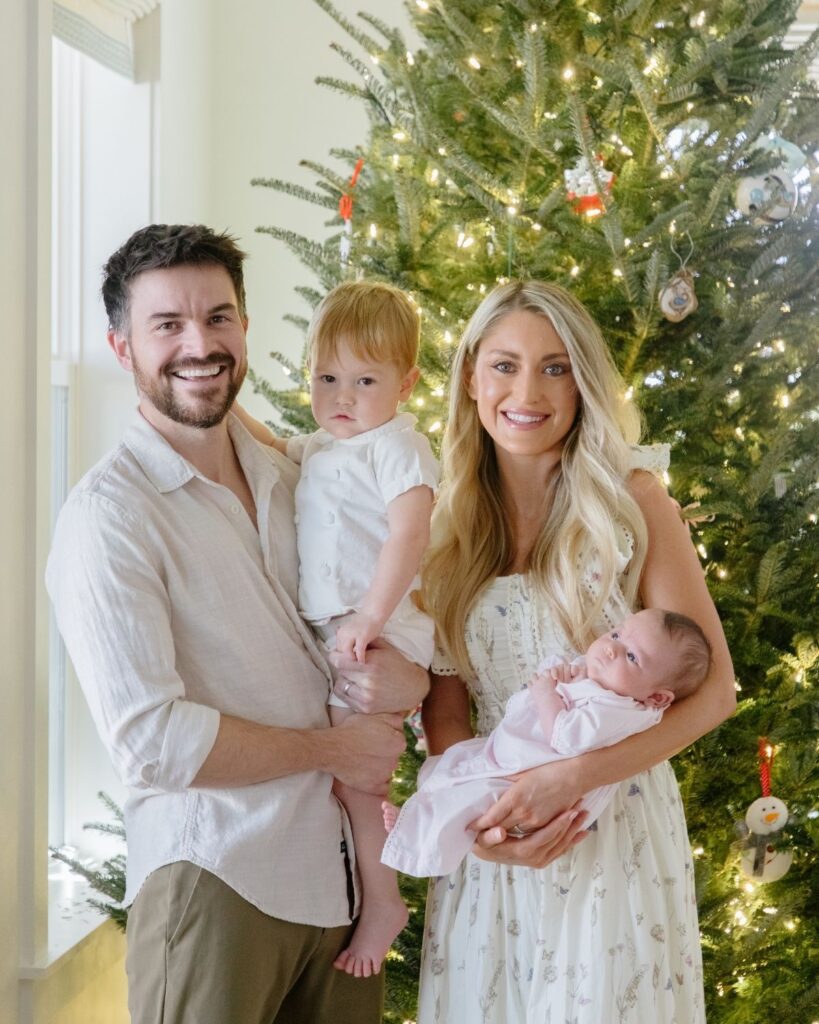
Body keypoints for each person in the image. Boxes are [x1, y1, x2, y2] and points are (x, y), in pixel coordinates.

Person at [45, 224, 429, 1024]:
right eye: (168, 325)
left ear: (245, 330)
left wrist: (413, 678)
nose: (200, 343)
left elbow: (381, 609)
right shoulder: (108, 518)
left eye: (218, 318)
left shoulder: (299, 472)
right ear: (122, 349)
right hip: (218, 878)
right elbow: (152, 741)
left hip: (337, 888)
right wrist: (334, 748)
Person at [416, 280, 736, 1023]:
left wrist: (572, 778)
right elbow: (447, 710)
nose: (526, 391)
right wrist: (483, 830)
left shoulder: (631, 502)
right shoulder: (437, 521)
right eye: (503, 365)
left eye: (555, 367)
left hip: (609, 832)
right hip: (493, 831)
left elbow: (714, 693)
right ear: (469, 376)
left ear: (582, 381)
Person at [236, 279, 438, 978]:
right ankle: (365, 889)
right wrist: (223, 402)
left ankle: (384, 902)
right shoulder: (325, 446)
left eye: (363, 380)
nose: (341, 397)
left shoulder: (397, 448)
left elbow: (408, 539)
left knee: (356, 783)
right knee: (344, 779)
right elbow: (267, 441)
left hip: (383, 633)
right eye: (326, 378)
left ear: (406, 384)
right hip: (344, 634)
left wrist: (371, 619)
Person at [381, 608, 711, 878]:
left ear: (656, 697)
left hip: (530, 777)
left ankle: (413, 839)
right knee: (451, 766)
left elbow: (566, 736)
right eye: (616, 634)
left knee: (472, 801)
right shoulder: (608, 683)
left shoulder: (618, 710)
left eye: (632, 657)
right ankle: (419, 813)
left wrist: (546, 694)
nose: (611, 647)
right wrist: (564, 675)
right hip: (511, 755)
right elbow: (556, 674)